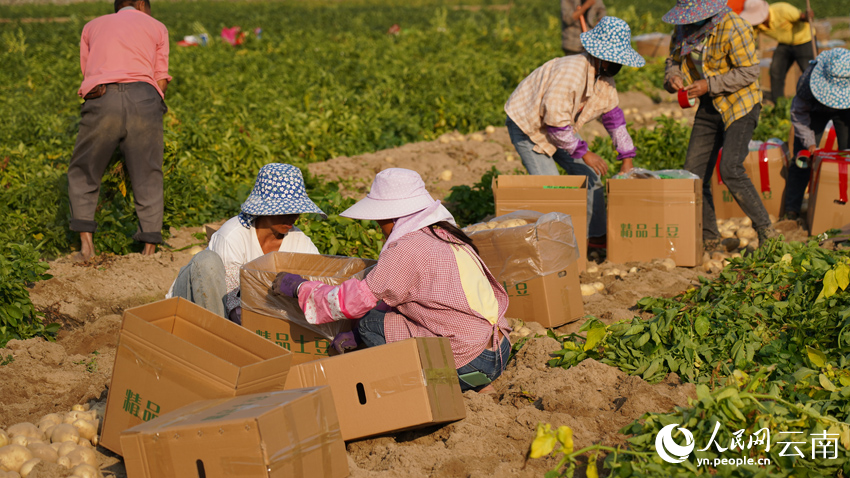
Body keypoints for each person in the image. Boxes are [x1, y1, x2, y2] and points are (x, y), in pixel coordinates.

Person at [270, 168, 511, 393]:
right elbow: (397, 294)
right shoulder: (444, 234)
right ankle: (474, 382)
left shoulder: (407, 249)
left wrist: (300, 288)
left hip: (469, 359)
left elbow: (348, 303)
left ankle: (426, 387)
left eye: (379, 220)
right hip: (498, 349)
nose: (378, 226)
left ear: (394, 217)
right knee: (382, 320)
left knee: (368, 323)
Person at [505, 16, 644, 250]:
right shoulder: (571, 72)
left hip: (560, 128)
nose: (617, 66)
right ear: (600, 56)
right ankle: (550, 245)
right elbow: (555, 122)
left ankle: (595, 236)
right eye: (614, 59)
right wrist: (584, 152)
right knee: (550, 187)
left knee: (591, 174)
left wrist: (627, 158)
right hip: (529, 126)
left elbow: (614, 120)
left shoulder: (604, 78)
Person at [663, 0, 778, 250]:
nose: (689, 21)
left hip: (739, 103)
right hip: (708, 105)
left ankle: (767, 231)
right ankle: (710, 238)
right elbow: (672, 60)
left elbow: (749, 71)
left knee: (730, 168)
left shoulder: (734, 27)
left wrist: (710, 84)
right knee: (693, 173)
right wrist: (673, 76)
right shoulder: (683, 28)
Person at [67, 0, 172, 262]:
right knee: (148, 172)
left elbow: (88, 71)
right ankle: (149, 250)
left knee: (85, 170)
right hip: (144, 98)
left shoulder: (92, 27)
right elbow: (161, 76)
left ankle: (86, 247)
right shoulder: (157, 26)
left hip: (103, 98)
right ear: (140, 5)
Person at [167, 163, 325, 324]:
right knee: (206, 261)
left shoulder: (299, 241)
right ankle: (218, 339)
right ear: (265, 208)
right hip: (192, 303)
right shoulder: (233, 236)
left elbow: (319, 281)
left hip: (250, 314)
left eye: (296, 209)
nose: (294, 216)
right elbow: (228, 299)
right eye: (286, 210)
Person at [784, 48, 850, 222]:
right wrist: (810, 142)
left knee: (847, 158)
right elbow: (798, 114)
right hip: (815, 111)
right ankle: (792, 210)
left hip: (846, 111)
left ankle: (841, 205)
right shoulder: (807, 82)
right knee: (803, 159)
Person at [739, 0, 815, 104]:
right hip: (785, 43)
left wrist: (807, 16)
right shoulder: (756, 25)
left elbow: (802, 17)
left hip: (804, 40)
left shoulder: (782, 10)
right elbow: (750, 40)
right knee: (775, 70)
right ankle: (779, 104)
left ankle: (815, 101)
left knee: (809, 72)